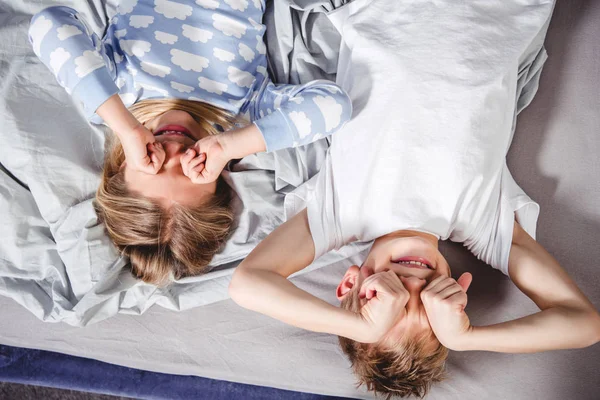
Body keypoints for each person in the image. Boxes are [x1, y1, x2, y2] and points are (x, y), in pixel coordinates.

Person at [228, 0, 600, 397]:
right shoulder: (481, 224)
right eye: (430, 299)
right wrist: (465, 338)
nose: (414, 282)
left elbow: (247, 285)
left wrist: (363, 327)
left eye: (387, 296)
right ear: (456, 294)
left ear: (349, 283)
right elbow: (583, 325)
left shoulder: (337, 217)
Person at [28, 1, 351, 284]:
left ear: (122, 165)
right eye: (189, 168)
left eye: (153, 164)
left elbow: (49, 24)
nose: (175, 152)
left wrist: (125, 126)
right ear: (218, 178)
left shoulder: (114, 95)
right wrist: (232, 146)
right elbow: (334, 107)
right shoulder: (240, 113)